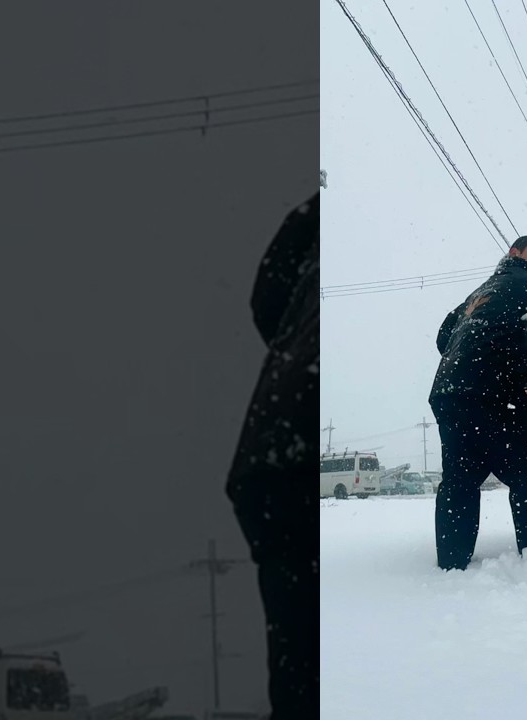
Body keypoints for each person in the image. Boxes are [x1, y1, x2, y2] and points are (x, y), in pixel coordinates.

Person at [224, 193, 317, 718]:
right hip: (288, 439)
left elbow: (266, 295)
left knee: (297, 658)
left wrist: (291, 346)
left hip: (275, 444)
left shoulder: (314, 216)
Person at [428, 235, 527, 571]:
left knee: (460, 480)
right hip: (496, 391)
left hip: (451, 391)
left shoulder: (478, 293)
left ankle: (452, 563)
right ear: (515, 253)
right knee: (525, 474)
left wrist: (468, 356)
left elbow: (444, 336)